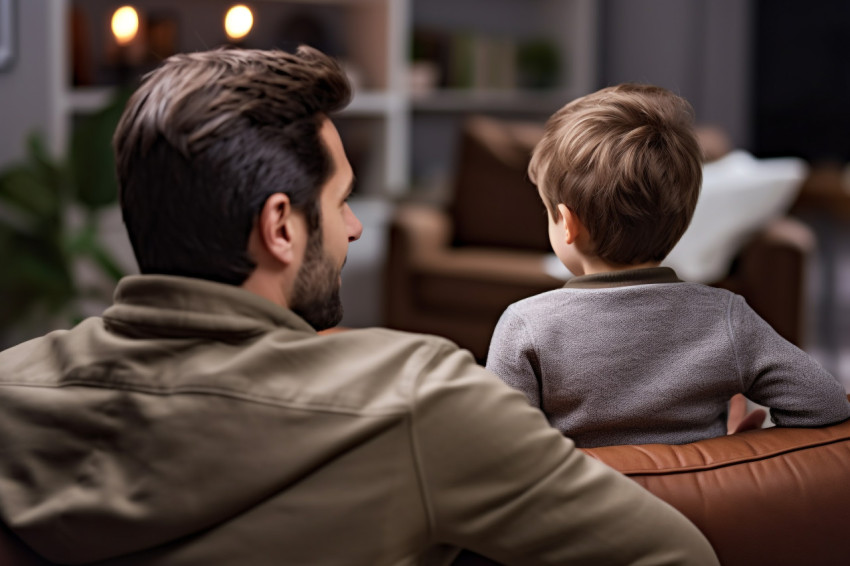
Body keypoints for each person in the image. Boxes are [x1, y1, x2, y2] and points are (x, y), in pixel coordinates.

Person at [0, 49, 719, 565]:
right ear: (281, 227)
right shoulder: (419, 399)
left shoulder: (12, 391)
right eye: (341, 201)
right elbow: (676, 555)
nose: (354, 228)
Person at [486, 83, 850, 449]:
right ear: (683, 221)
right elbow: (826, 405)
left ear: (567, 223)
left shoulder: (525, 326)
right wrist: (739, 451)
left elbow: (500, 453)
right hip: (697, 506)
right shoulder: (725, 316)